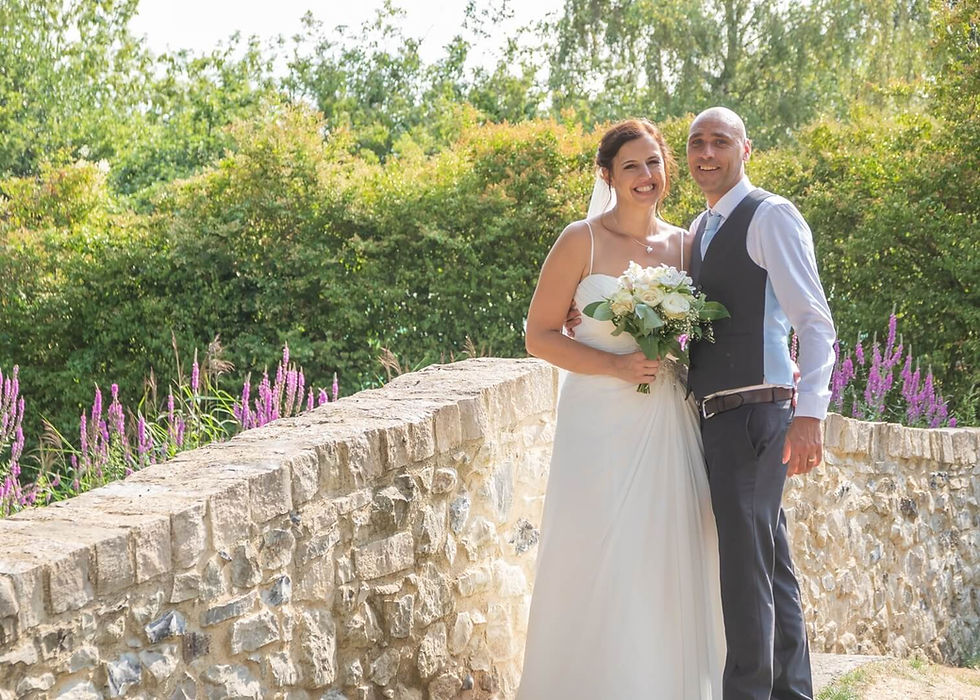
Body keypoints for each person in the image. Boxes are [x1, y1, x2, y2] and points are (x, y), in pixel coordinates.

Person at [518, 118, 725, 699]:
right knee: (597, 551)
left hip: (665, 416)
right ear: (606, 175)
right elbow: (539, 335)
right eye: (631, 165)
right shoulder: (579, 240)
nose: (645, 176)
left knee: (665, 554)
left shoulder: (689, 243)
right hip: (597, 423)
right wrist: (612, 365)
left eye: (654, 163)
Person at [684, 107, 836, 700]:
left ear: (746, 149)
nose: (706, 153)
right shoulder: (701, 229)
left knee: (744, 572)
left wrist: (810, 413)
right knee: (767, 562)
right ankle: (793, 691)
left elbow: (814, 323)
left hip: (758, 413)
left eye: (719, 141)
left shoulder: (770, 215)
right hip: (721, 416)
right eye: (696, 142)